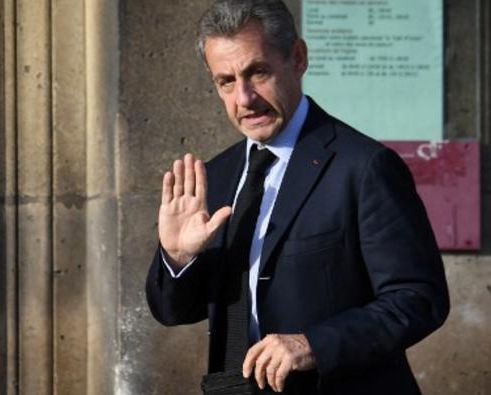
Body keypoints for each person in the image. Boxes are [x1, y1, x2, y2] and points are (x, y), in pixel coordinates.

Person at [146, 0, 450, 393]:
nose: (244, 98)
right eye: (226, 81)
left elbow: (418, 299)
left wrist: (314, 345)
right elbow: (173, 312)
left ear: (298, 58)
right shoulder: (215, 177)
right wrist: (178, 258)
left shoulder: (364, 167)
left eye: (258, 72)